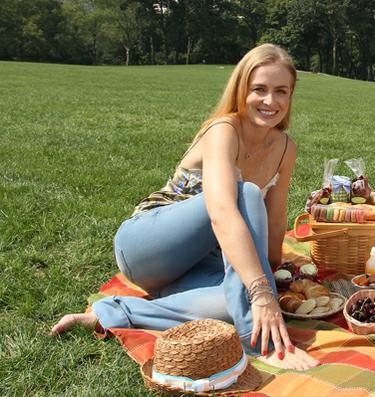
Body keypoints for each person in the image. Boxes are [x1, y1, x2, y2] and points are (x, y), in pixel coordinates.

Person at [49, 44, 319, 370]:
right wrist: (262, 295)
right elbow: (221, 212)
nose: (270, 101)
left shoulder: (285, 149)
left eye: (281, 91)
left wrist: (270, 275)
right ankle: (259, 340)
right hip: (148, 245)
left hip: (200, 262)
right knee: (245, 195)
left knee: (231, 302)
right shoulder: (224, 129)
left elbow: (275, 228)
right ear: (240, 90)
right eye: (259, 89)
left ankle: (111, 313)